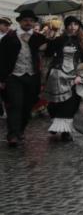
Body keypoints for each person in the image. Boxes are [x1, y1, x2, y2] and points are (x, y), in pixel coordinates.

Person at [1, 11, 48, 147]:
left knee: (28, 106)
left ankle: (20, 130)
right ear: (20, 22)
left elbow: (49, 50)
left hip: (32, 76)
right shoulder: (9, 37)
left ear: (34, 23)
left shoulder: (39, 37)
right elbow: (2, 59)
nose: (28, 23)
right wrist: (2, 78)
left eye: (31, 21)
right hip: (14, 76)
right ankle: (12, 135)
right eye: (25, 20)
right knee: (15, 104)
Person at [42, 16, 83, 141]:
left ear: (79, 26)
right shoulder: (58, 39)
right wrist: (50, 38)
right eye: (70, 24)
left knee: (72, 102)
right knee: (56, 103)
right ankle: (56, 122)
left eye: (75, 24)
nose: (73, 27)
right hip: (58, 74)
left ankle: (65, 131)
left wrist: (81, 75)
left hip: (76, 75)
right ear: (66, 26)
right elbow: (48, 54)